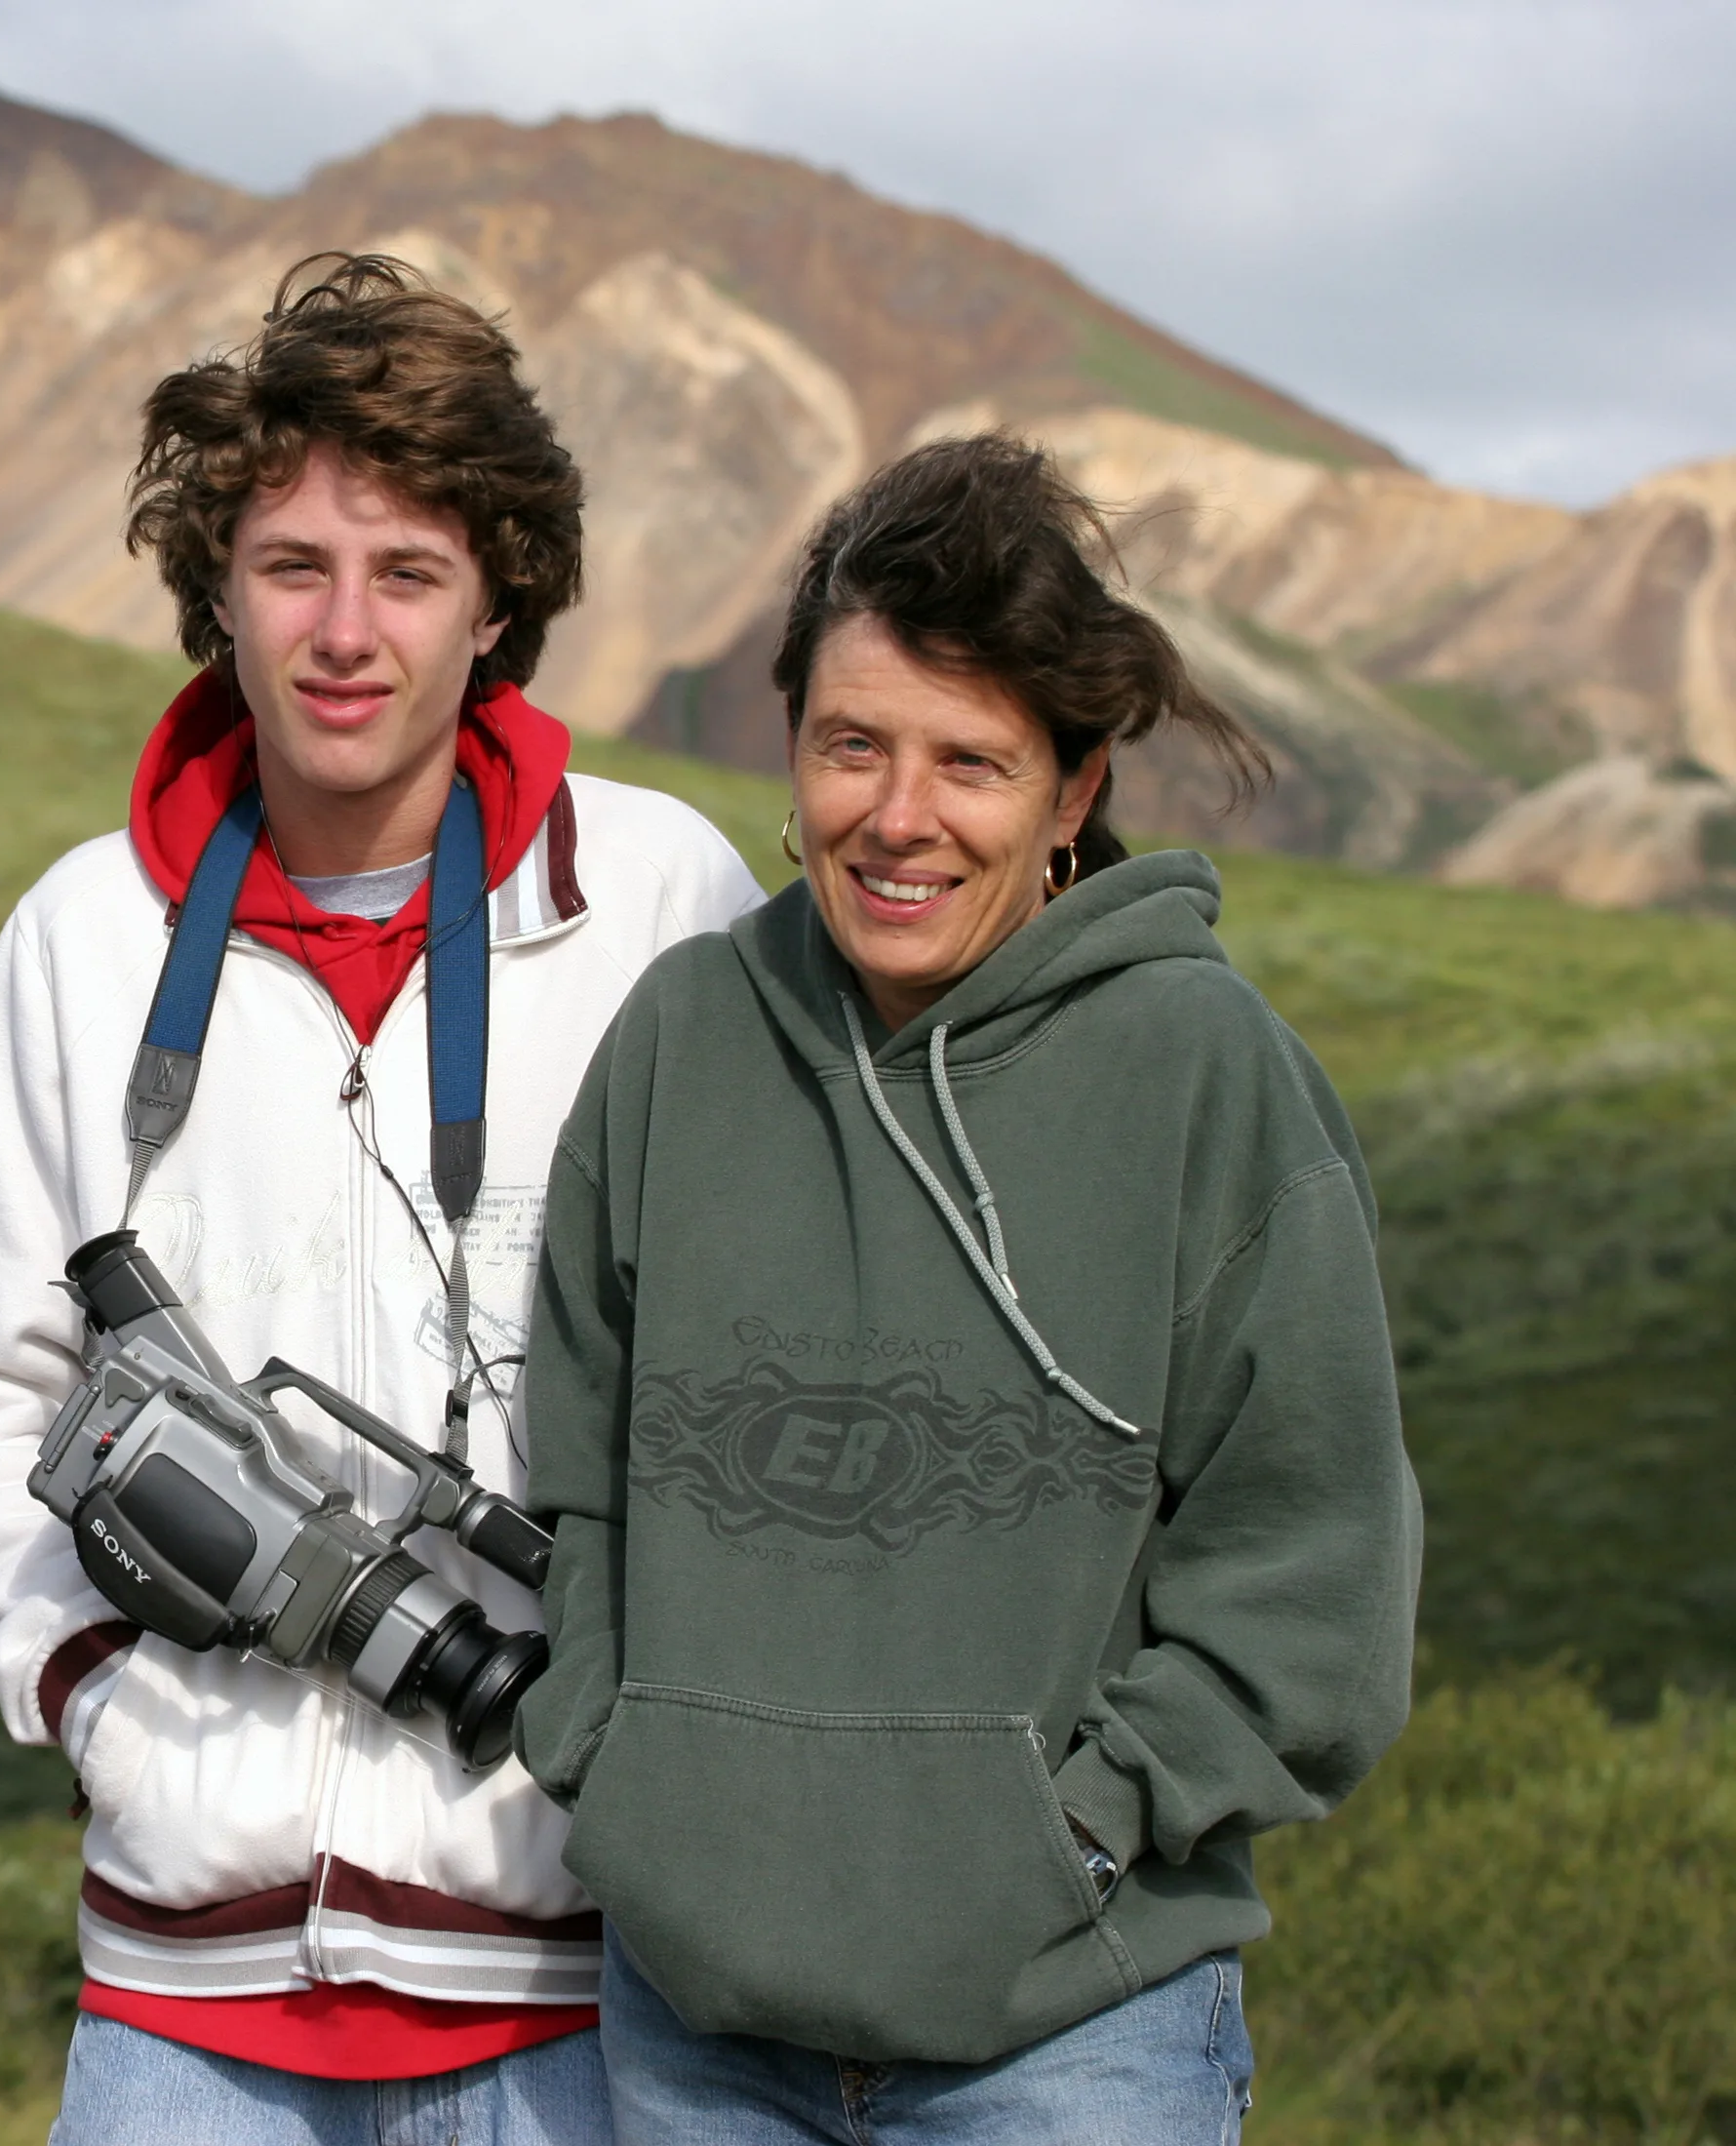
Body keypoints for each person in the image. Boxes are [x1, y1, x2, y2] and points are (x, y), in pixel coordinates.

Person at [0, 254, 765, 2144]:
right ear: (213, 586)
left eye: (408, 571)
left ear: (497, 596)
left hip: (575, 1987)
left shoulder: (665, 901)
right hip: (177, 2003)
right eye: (293, 565)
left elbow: (782, 1367)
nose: (344, 629)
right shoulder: (80, 939)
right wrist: (93, 1683)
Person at [519, 433, 1424, 2143]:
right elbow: (576, 1474)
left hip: (1074, 2042)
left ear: (1074, 791)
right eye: (852, 745)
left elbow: (1315, 1573)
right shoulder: (684, 1041)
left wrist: (1078, 1828)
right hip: (695, 2041)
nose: (899, 815)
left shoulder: (1205, 1071)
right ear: (792, 749)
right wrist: (625, 1777)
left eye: (972, 763)